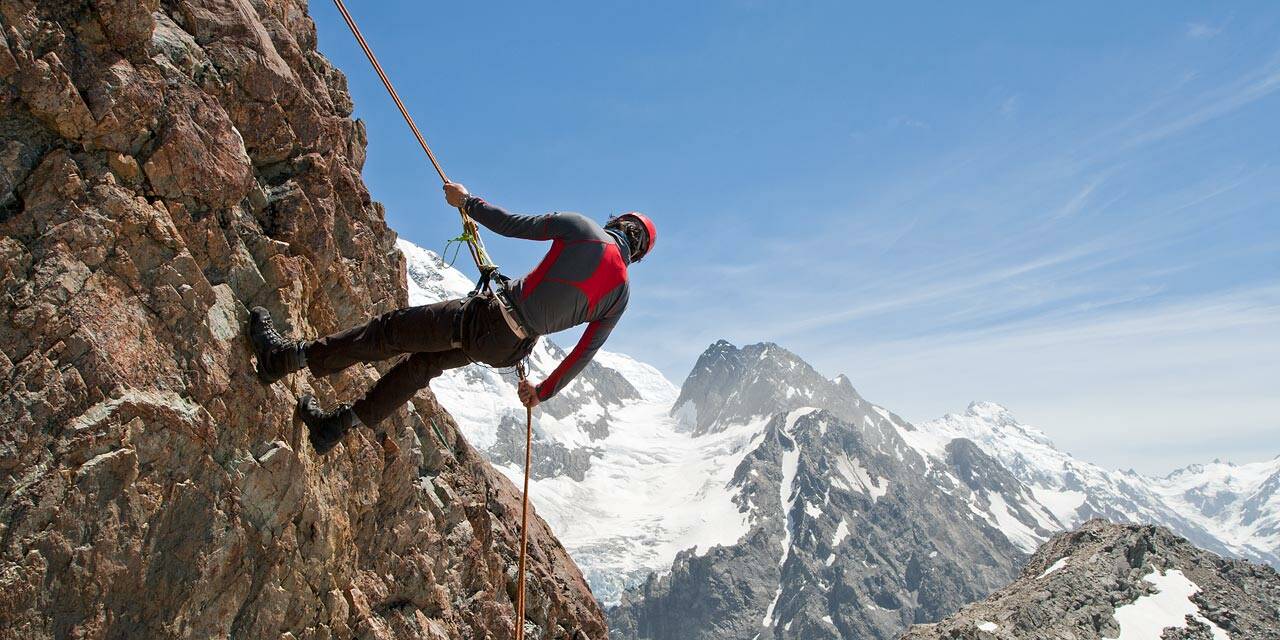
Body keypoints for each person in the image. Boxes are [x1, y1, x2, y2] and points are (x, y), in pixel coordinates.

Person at [247, 182, 656, 453]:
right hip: (507, 347)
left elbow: (512, 225)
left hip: (492, 316)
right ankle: (334, 428)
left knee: (389, 331)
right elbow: (582, 355)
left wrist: (467, 203)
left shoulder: (582, 228)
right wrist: (541, 393)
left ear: (617, 222)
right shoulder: (619, 296)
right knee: (423, 364)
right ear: (636, 255)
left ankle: (284, 359)